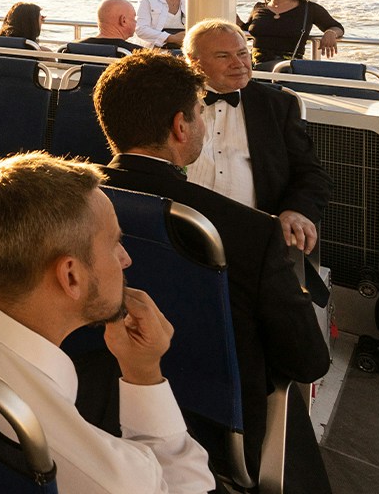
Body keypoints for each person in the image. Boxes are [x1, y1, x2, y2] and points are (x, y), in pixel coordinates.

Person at [0, 154, 213, 494]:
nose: (126, 259)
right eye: (115, 243)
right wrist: (145, 374)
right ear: (71, 276)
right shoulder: (91, 472)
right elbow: (189, 486)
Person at [93, 49, 332, 493]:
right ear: (181, 127)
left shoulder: (76, 201)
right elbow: (309, 360)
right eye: (199, 114)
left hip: (103, 391)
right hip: (224, 425)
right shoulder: (250, 235)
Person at [184, 19, 331, 254]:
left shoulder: (278, 105)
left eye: (243, 53)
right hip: (182, 226)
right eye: (223, 56)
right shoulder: (173, 101)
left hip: (254, 233)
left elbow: (311, 173)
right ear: (194, 62)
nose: (239, 64)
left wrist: (296, 210)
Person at [242, 0, 344, 68]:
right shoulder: (259, 8)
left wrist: (331, 33)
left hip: (288, 70)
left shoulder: (309, 9)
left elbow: (337, 27)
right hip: (255, 70)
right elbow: (246, 31)